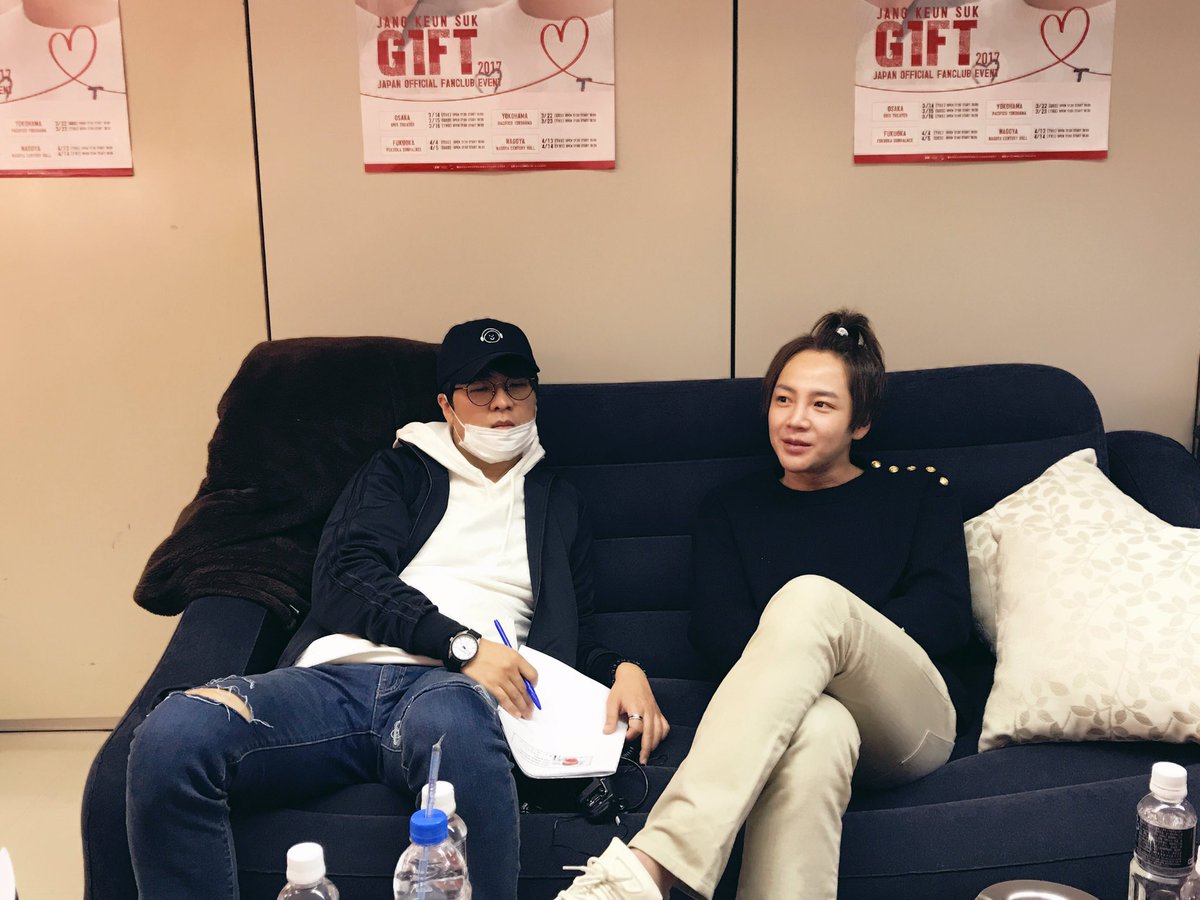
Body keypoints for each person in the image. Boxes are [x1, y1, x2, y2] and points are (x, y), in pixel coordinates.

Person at [126, 318, 668, 900]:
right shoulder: (399, 470)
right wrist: (461, 646)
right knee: (173, 736)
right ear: (447, 405)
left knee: (458, 730)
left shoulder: (560, 503)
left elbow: (575, 628)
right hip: (334, 679)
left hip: (450, 694)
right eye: (480, 389)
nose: (502, 404)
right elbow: (344, 576)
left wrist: (622, 669)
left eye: (517, 386)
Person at [557, 310, 973, 899]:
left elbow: (947, 616)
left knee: (810, 599)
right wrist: (809, 677)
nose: (795, 420)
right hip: (799, 721)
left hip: (910, 722)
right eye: (783, 400)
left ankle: (651, 866)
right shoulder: (730, 509)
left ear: (860, 422)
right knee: (819, 728)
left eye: (822, 405)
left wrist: (831, 643)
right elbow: (718, 635)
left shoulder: (917, 492)